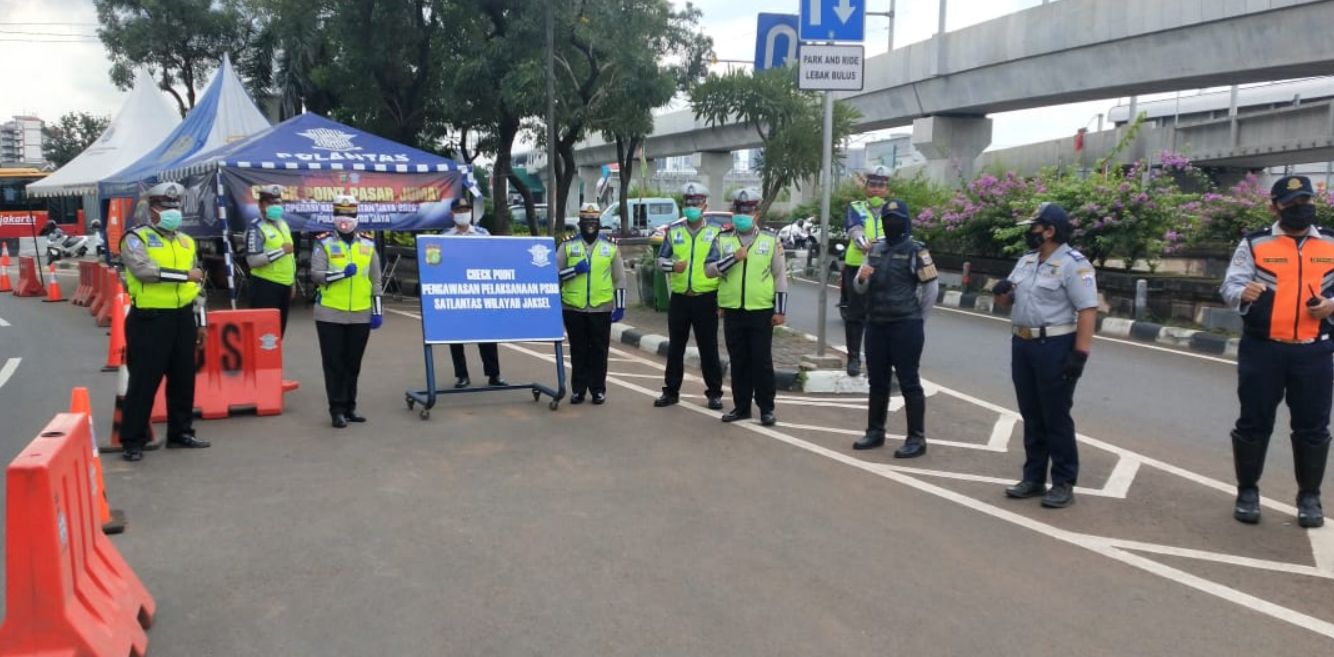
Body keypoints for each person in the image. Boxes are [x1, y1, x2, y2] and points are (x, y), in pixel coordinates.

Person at [1220, 175, 1334, 528]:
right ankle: (1248, 492)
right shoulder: (1255, 243)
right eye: (1293, 203)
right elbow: (1230, 285)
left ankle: (1309, 498)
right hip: (1263, 350)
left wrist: (1331, 305)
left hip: (1314, 352)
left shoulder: (1330, 242)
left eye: (1307, 202)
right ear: (1275, 207)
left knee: (1313, 426)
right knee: (1254, 422)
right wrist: (1243, 293)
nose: (1303, 209)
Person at [992, 202, 1097, 509]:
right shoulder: (1026, 261)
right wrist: (999, 292)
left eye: (1034, 227)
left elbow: (1087, 310)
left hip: (1054, 346)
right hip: (1022, 344)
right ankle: (1034, 477)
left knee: (1055, 415)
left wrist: (1080, 354)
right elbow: (1005, 302)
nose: (1030, 232)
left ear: (1050, 231)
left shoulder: (1074, 264)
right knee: (1031, 413)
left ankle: (1064, 481)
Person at [118, 182, 210, 462]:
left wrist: (201, 321)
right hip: (150, 318)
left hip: (183, 317)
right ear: (151, 209)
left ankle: (180, 432)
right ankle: (133, 440)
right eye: (164, 207)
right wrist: (184, 276)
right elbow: (143, 271)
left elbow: (199, 284)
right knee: (144, 381)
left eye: (175, 207)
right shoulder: (135, 238)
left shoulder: (186, 241)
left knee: (183, 379)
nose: (171, 212)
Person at [851, 200, 938, 457]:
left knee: (909, 381)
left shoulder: (917, 251)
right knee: (877, 381)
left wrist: (917, 320)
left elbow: (931, 290)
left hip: (905, 325)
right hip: (877, 324)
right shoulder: (875, 250)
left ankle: (916, 439)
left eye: (896, 218)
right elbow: (858, 286)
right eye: (887, 219)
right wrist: (862, 277)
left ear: (906, 221)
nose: (891, 223)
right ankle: (875, 432)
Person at [705, 187, 788, 427]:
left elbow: (779, 276)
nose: (743, 215)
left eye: (748, 211)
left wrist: (779, 310)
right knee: (738, 361)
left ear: (757, 213)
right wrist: (733, 258)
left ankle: (766, 409)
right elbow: (708, 270)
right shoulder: (723, 239)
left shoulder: (770, 240)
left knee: (761, 361)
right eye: (739, 211)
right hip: (732, 310)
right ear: (733, 212)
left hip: (761, 311)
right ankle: (741, 407)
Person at [311, 195, 383, 428]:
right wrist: (341, 274)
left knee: (353, 363)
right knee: (334, 363)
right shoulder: (323, 243)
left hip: (361, 313)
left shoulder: (368, 244)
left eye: (350, 215)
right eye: (341, 214)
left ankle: (351, 406)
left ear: (357, 217)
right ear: (334, 217)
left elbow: (376, 280)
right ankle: (337, 409)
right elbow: (316, 275)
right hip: (330, 313)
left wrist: (377, 310)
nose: (345, 220)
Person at [654, 182, 725, 410]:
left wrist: (722, 302)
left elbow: (722, 267)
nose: (691, 207)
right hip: (680, 298)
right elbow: (659, 260)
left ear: (705, 205)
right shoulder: (674, 232)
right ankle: (671, 391)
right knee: (676, 347)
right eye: (687, 203)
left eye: (696, 203)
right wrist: (672, 268)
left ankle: (714, 393)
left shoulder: (716, 232)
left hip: (706, 297)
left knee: (709, 348)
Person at [557, 203, 627, 405]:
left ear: (599, 222)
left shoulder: (610, 246)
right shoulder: (567, 245)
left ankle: (598, 389)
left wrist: (620, 306)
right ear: (580, 222)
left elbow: (620, 279)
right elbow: (553, 275)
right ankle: (578, 389)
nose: (590, 224)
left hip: (601, 307)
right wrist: (574, 271)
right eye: (586, 220)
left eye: (593, 220)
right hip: (573, 306)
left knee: (599, 350)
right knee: (578, 350)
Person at [443, 195, 506, 389]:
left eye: (466, 211)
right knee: (456, 336)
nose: (463, 214)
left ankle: (494, 375)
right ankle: (462, 375)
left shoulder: (482, 234)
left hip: (480, 290)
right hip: (456, 291)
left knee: (486, 335)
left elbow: (492, 259)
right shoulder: (444, 237)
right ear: (452, 214)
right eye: (459, 211)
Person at [841, 164, 892, 377]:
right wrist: (865, 242)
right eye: (873, 185)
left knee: (882, 315)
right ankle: (853, 357)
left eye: (881, 186)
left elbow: (901, 233)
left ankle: (880, 360)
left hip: (886, 267)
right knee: (855, 314)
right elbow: (854, 229)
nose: (877, 189)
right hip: (858, 265)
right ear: (866, 187)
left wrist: (877, 242)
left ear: (887, 189)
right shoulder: (856, 207)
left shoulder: (894, 209)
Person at [245, 184, 296, 336]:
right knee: (263, 333)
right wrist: (280, 251)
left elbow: (290, 258)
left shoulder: (283, 225)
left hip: (284, 285)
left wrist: (292, 282)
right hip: (265, 286)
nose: (275, 207)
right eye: (270, 203)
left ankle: (272, 361)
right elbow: (252, 260)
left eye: (277, 203)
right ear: (261, 205)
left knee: (279, 332)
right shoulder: (256, 228)